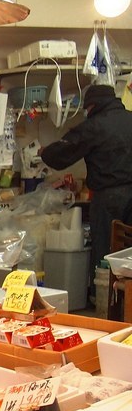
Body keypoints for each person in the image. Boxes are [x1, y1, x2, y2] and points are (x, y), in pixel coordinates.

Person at [41, 83, 132, 275]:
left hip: (109, 199)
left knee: (106, 252)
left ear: (92, 106)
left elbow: (63, 152)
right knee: (129, 254)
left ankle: (103, 298)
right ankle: (127, 302)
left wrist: (45, 153)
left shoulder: (95, 126)